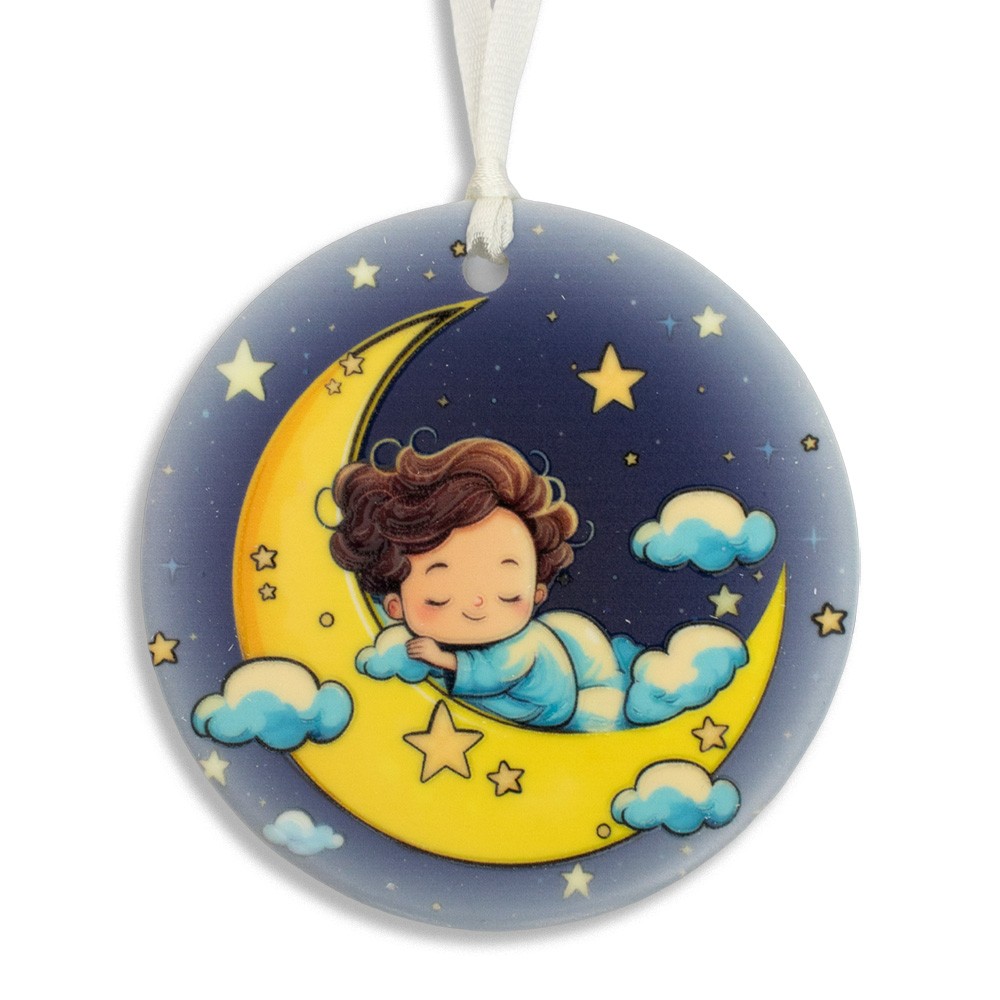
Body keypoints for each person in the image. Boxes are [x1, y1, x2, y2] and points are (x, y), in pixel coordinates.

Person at [328, 437, 742, 731]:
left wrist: (447, 661)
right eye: (440, 598)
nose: (477, 603)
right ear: (395, 606)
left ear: (537, 591)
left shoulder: (522, 644)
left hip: (554, 710)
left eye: (508, 592)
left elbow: (500, 669)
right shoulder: (402, 638)